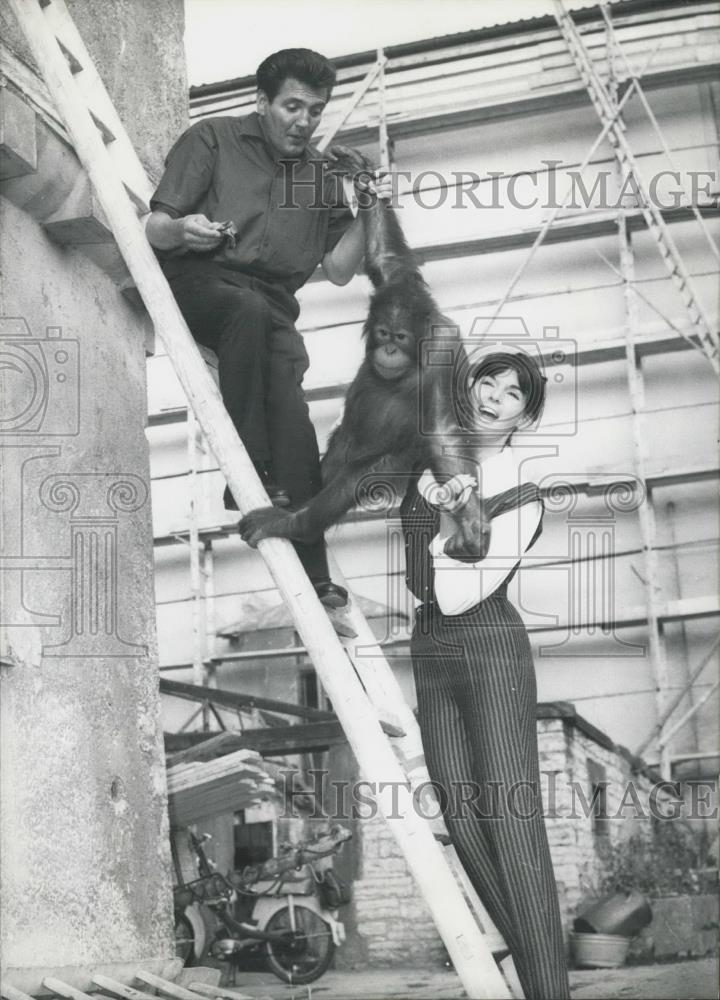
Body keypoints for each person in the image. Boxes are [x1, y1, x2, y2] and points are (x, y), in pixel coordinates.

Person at [146, 48, 389, 609]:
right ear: (262, 102)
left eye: (315, 111)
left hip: (273, 306)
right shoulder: (214, 139)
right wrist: (187, 230)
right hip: (200, 282)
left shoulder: (323, 175)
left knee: (296, 422)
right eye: (292, 107)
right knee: (248, 316)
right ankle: (247, 471)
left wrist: (371, 201)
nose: (304, 122)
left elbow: (339, 267)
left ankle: (314, 569)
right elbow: (155, 227)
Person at [400, 348, 571, 1000]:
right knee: (466, 828)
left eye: (513, 393)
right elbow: (419, 584)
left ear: (522, 418)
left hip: (490, 647)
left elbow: (460, 595)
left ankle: (548, 993)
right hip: (431, 652)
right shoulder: (432, 472)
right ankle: (541, 983)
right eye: (487, 382)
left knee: (512, 823)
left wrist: (443, 511)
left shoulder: (520, 494)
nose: (495, 395)